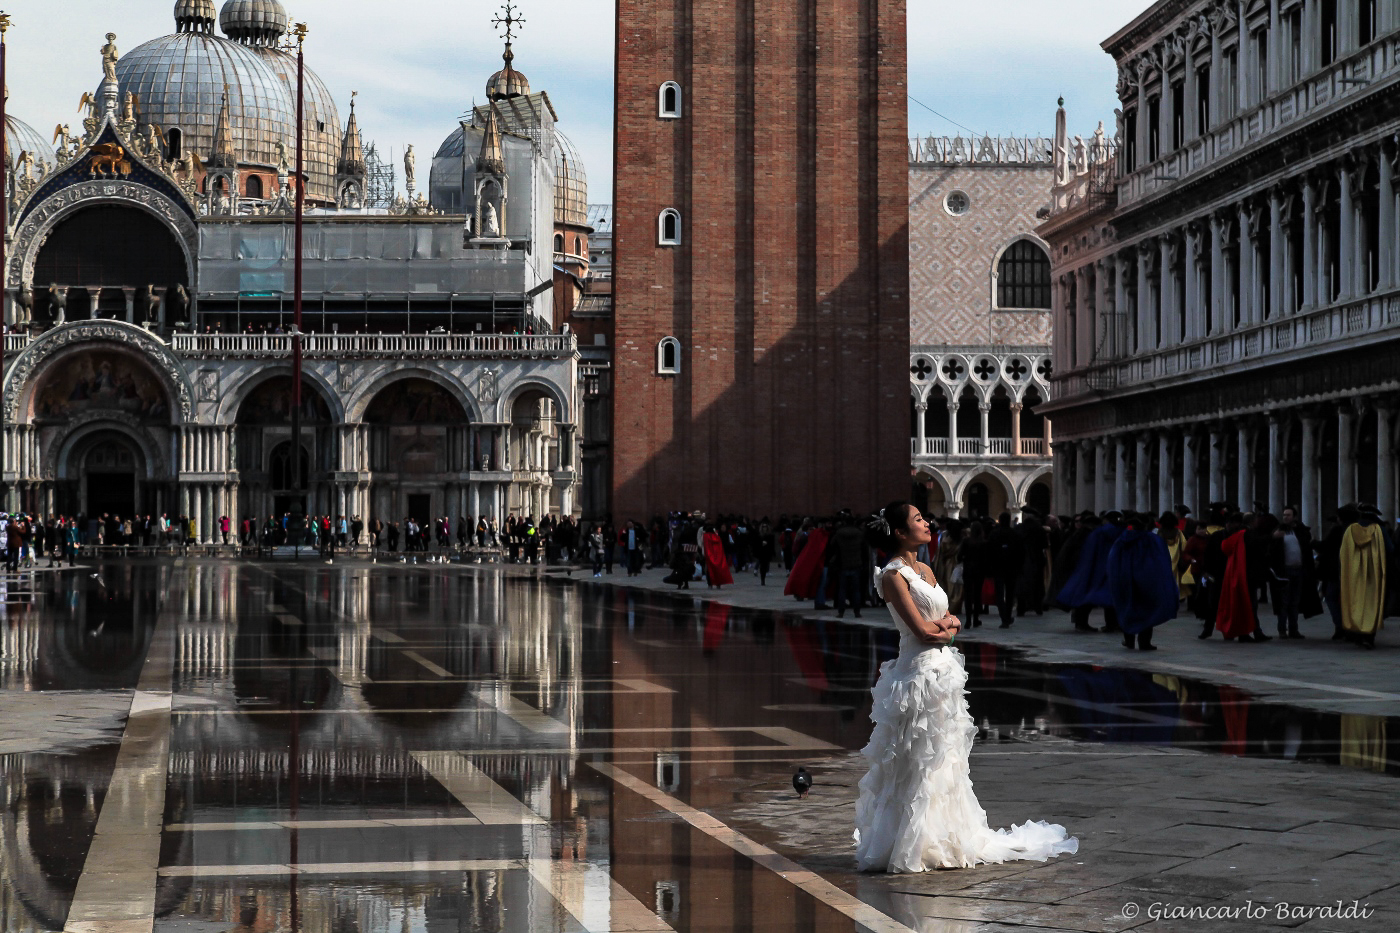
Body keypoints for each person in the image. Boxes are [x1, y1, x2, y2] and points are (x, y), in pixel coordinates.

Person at [853, 501, 1078, 872]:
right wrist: (947, 628)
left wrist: (947, 628)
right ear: (898, 531)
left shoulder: (924, 568)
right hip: (917, 674)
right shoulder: (893, 575)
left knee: (946, 758)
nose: (927, 524)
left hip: (943, 671)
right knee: (918, 759)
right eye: (918, 519)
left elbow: (948, 619)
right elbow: (924, 630)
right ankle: (910, 841)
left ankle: (942, 835)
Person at [1106, 513, 1178, 650]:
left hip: (1125, 580)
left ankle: (1129, 640)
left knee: (1128, 609)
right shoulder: (1152, 540)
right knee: (1147, 610)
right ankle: (1144, 642)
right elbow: (1162, 561)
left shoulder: (1122, 540)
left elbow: (1113, 561)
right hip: (1147, 581)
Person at [1339, 504, 1389, 649]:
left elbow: (1343, 553)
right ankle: (1369, 636)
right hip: (1374, 576)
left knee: (1356, 602)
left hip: (1354, 575)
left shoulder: (1350, 530)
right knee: (1371, 603)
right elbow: (1391, 548)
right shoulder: (1379, 530)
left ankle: (1357, 634)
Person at [1268, 505, 1313, 639]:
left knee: (1295, 602)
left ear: (1294, 517)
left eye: (1288, 515)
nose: (1285, 517)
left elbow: (1306, 545)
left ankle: (1294, 629)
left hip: (1298, 570)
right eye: (1284, 515)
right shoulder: (1278, 531)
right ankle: (1282, 629)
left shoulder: (1300, 531)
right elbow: (1270, 550)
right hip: (1284, 572)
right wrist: (1274, 538)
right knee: (1284, 602)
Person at [989, 513, 1024, 627]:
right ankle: (1007, 617)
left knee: (999, 594)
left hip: (998, 568)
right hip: (1012, 568)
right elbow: (1021, 553)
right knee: (1010, 594)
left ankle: (1004, 617)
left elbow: (989, 552)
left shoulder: (994, 534)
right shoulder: (1015, 534)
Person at [702, 524, 733, 588]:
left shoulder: (705, 537)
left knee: (709, 570)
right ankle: (718, 583)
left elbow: (703, 545)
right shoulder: (717, 537)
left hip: (708, 555)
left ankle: (710, 584)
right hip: (717, 556)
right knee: (717, 570)